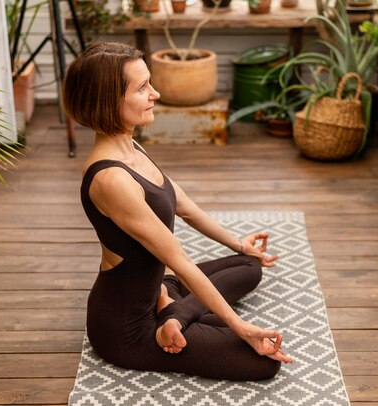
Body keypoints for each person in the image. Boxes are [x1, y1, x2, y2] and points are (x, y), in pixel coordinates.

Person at [63, 42, 293, 381]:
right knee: (263, 362)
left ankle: (171, 309)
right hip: (128, 328)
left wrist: (240, 245)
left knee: (249, 265)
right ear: (110, 101)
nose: (155, 93)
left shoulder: (131, 146)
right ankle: (169, 315)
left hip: (157, 285)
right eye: (142, 88)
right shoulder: (111, 179)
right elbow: (180, 261)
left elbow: (185, 207)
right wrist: (242, 328)